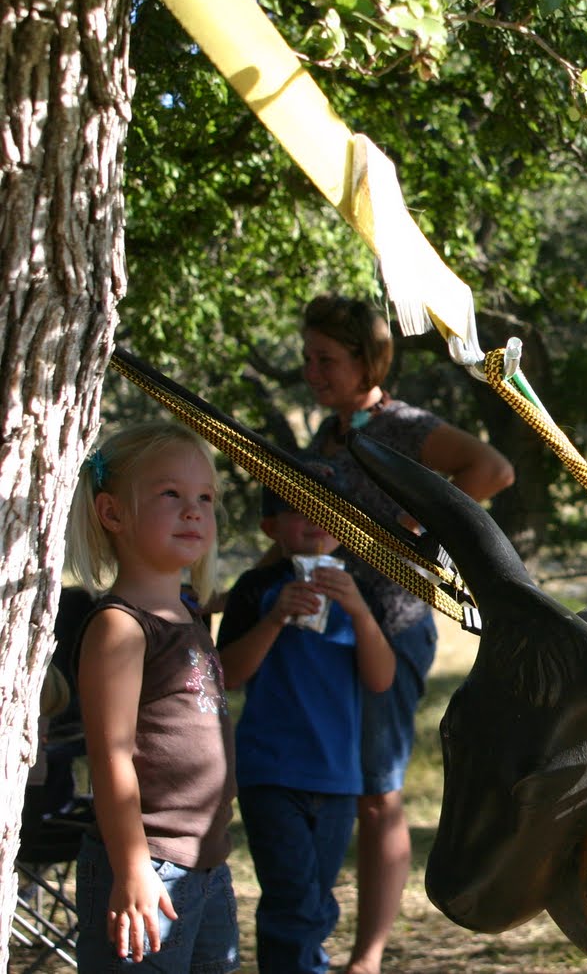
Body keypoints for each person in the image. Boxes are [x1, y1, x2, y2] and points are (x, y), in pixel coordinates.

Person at [299, 293, 514, 974]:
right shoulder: (326, 435)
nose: (313, 372)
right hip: (326, 629)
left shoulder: (402, 425)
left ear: (367, 359)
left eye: (327, 359)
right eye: (308, 358)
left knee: (376, 790)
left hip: (391, 624)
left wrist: (423, 534)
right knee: (331, 785)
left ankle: (367, 956)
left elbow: (492, 468)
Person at [65, 421, 240, 972]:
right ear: (113, 513)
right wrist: (132, 866)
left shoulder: (187, 614)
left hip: (207, 867)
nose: (194, 510)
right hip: (148, 867)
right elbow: (110, 757)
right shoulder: (121, 626)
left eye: (205, 498)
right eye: (171, 494)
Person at [217, 463, 397, 974]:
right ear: (270, 528)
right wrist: (275, 618)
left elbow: (381, 678)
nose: (314, 522)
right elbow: (227, 673)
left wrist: (359, 613)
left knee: (317, 900)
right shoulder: (256, 587)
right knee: (292, 899)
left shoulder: (363, 589)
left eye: (326, 512)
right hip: (270, 771)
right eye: (296, 511)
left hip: (337, 777)